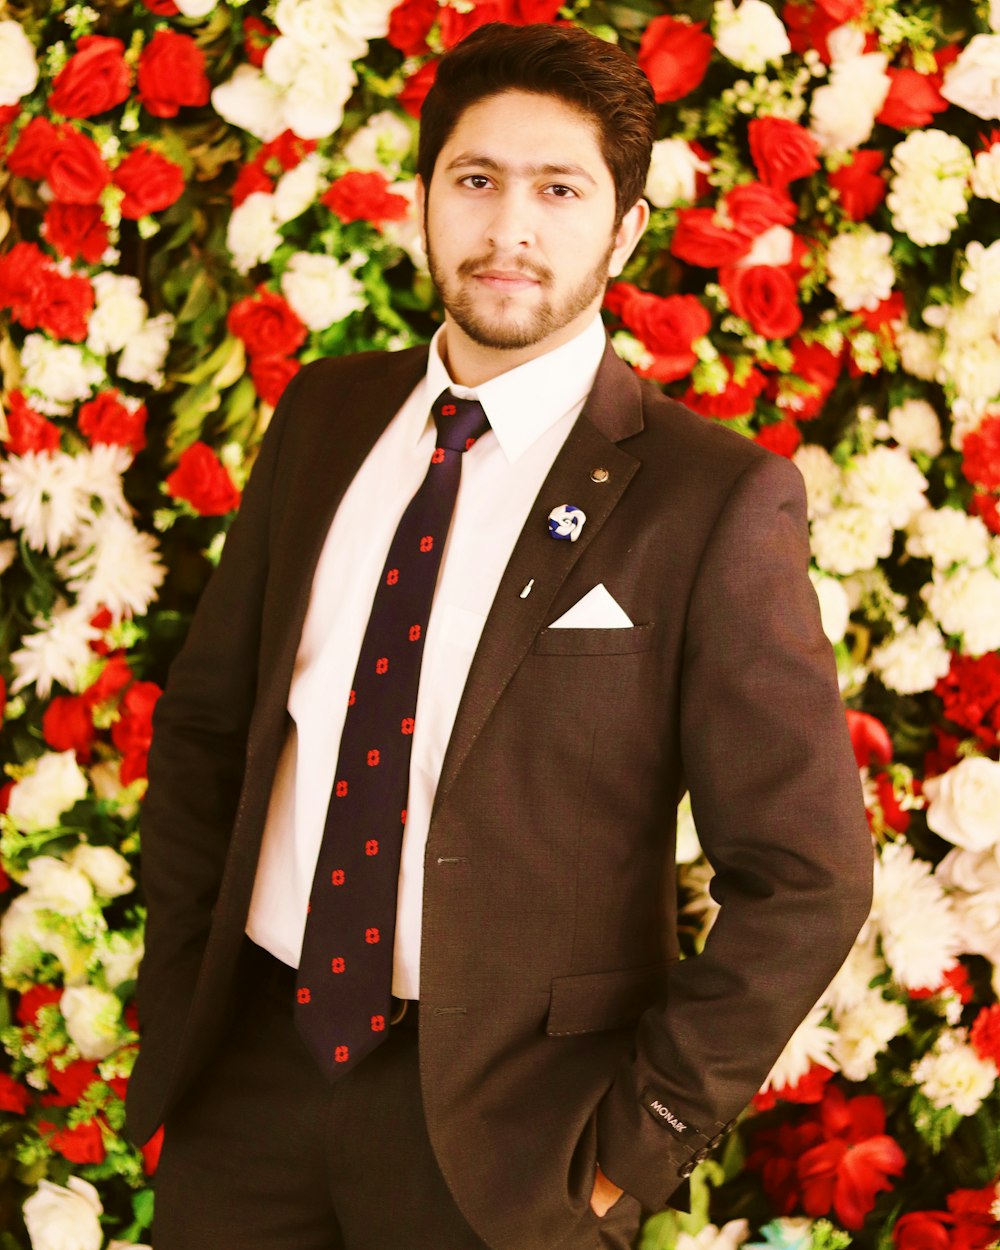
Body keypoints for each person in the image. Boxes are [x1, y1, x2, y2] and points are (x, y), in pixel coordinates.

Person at [126, 21, 873, 1250]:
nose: (508, 228)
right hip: (252, 1080)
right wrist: (180, 1003)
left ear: (625, 228)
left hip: (511, 1144)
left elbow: (807, 873)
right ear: (424, 197)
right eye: (475, 180)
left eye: (559, 188)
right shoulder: (325, 414)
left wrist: (632, 1150)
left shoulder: (710, 497)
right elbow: (210, 725)